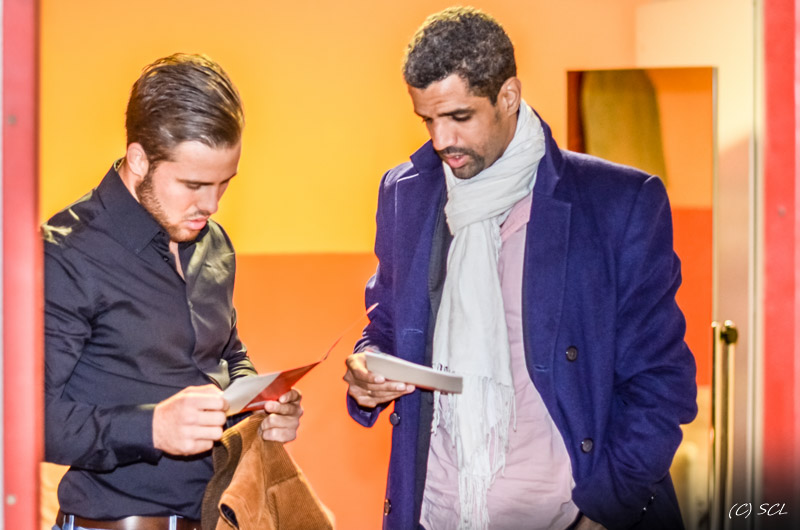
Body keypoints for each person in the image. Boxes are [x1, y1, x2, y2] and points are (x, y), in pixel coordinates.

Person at [344, 7, 697, 530]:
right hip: (439, 512)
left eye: (459, 117)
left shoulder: (618, 203)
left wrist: (604, 512)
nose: (440, 140)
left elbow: (661, 383)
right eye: (428, 120)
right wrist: (368, 370)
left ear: (508, 96)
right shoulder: (406, 192)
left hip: (566, 515)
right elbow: (386, 327)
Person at [44, 53, 303, 530]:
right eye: (194, 184)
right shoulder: (66, 253)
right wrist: (152, 428)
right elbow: (25, 421)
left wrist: (260, 404)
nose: (211, 204)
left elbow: (227, 355)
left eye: (224, 184)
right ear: (139, 159)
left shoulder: (214, 243)